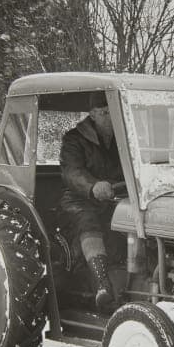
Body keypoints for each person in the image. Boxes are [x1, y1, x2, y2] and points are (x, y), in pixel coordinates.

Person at [57, 90, 125, 312]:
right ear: (93, 114)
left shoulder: (123, 139)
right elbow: (72, 172)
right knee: (89, 221)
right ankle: (102, 285)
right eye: (104, 112)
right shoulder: (74, 139)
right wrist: (93, 186)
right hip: (79, 199)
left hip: (113, 197)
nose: (109, 118)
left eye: (112, 112)